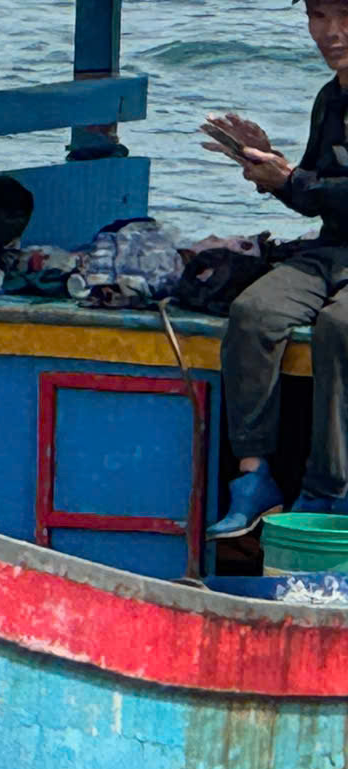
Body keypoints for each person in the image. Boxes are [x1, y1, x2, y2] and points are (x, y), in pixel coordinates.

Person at [204, 0, 348, 536]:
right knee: (253, 314)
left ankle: (328, 490)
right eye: (317, 16)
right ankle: (254, 477)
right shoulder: (330, 98)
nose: (330, 32)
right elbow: (315, 193)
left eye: (344, 15)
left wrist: (293, 181)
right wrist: (270, 166)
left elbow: (313, 187)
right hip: (331, 252)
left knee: (339, 326)